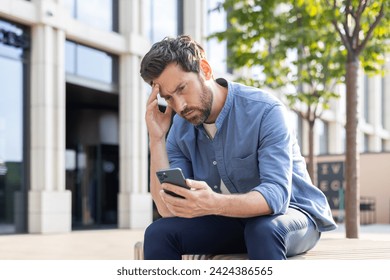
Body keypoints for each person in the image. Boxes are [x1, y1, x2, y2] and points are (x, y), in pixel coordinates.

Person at [140, 35, 337, 260]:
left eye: (182, 88)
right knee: (158, 233)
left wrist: (213, 204)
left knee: (262, 230)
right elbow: (168, 210)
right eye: (169, 98)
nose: (180, 105)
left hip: (292, 217)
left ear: (204, 69)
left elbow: (276, 197)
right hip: (230, 221)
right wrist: (156, 139)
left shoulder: (265, 111)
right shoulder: (179, 129)